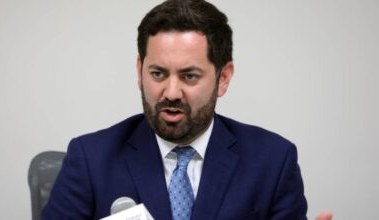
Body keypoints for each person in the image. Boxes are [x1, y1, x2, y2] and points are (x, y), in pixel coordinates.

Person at [42, 0, 332, 219]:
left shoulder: (272, 162)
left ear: (224, 77)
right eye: (157, 74)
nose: (170, 93)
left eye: (189, 76)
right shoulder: (91, 159)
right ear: (139, 70)